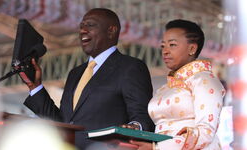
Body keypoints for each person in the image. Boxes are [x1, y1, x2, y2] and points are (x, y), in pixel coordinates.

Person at [19, 8, 154, 150]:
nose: (82, 30)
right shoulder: (75, 74)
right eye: (81, 26)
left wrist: (134, 127)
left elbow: (142, 117)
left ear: (111, 30)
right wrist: (35, 87)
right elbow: (64, 122)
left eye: (90, 25)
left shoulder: (130, 67)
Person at [129, 19, 225, 150]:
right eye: (163, 46)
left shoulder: (204, 80)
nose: (165, 51)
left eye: (172, 45)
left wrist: (157, 148)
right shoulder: (164, 88)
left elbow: (205, 132)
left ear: (192, 48)